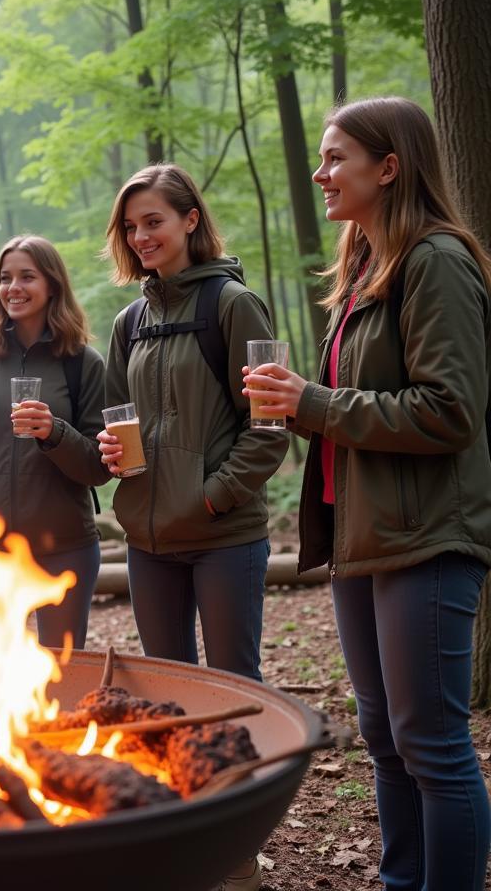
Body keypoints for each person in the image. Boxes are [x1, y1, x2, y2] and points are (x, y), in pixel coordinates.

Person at [243, 96, 491, 891]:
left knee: (434, 745)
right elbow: (366, 403)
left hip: (429, 536)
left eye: (335, 158)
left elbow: (450, 410)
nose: (320, 173)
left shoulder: (437, 261)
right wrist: (303, 401)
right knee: (385, 739)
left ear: (388, 168)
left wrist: (311, 404)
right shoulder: (363, 270)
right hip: (363, 536)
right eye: (318, 158)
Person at [96, 164, 287, 891]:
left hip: (223, 534)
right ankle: (179, 839)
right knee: (164, 698)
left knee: (233, 686)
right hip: (148, 541)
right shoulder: (128, 322)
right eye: (132, 226)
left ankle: (237, 852)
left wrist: (211, 496)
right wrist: (116, 453)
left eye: (155, 221)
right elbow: (115, 421)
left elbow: (269, 426)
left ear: (189, 223)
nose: (143, 236)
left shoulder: (234, 305)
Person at [0, 234, 108, 649]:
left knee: (60, 683)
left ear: (53, 285)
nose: (14, 287)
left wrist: (54, 432)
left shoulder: (83, 363)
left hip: (62, 548)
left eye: (27, 276)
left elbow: (99, 467)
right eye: (5, 277)